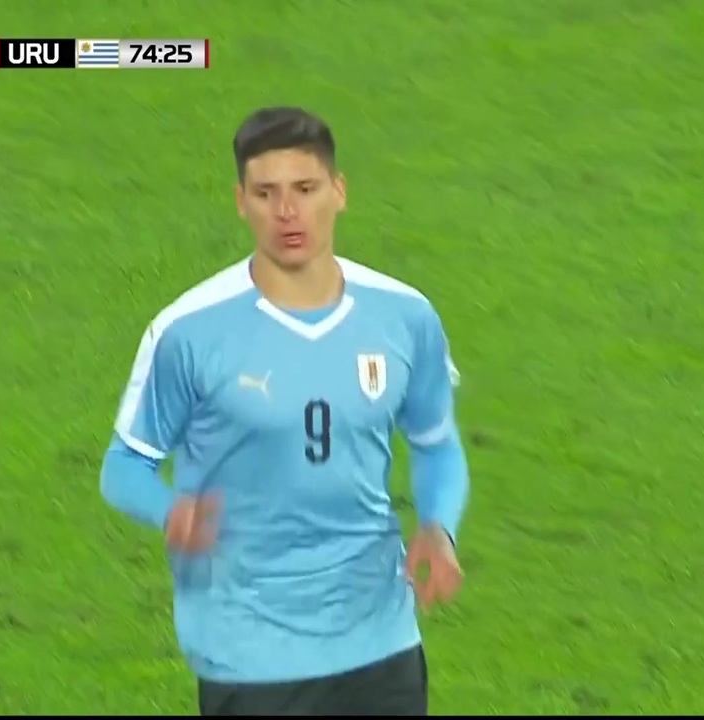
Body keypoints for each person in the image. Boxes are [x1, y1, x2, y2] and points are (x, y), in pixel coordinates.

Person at [99, 106, 471, 716]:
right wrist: (170, 511)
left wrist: (438, 525)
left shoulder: (404, 317)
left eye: (305, 189)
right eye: (266, 193)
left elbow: (436, 441)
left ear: (339, 192)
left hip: (381, 640)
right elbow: (124, 465)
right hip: (249, 648)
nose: (287, 212)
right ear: (240, 202)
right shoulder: (188, 331)